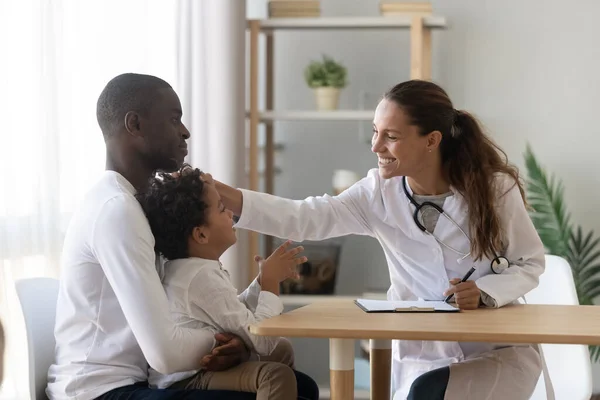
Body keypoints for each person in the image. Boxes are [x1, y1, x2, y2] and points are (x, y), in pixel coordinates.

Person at [211, 79, 546, 400]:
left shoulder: (494, 189)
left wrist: (486, 292)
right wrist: (221, 193)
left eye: (391, 136)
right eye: (375, 132)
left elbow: (529, 263)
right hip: (424, 356)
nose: (375, 146)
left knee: (428, 394)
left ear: (431, 140)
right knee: (425, 391)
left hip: (497, 353)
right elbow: (304, 218)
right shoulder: (378, 194)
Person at [47, 73, 318, 400]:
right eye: (174, 119)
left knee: (302, 387)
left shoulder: (136, 203)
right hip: (99, 391)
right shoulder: (116, 210)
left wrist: (234, 338)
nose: (185, 131)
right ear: (134, 125)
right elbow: (165, 353)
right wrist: (234, 338)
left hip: (142, 380)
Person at [136, 167, 309, 400]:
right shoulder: (200, 276)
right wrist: (270, 283)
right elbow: (262, 341)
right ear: (201, 235)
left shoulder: (191, 269)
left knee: (283, 348)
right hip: (186, 380)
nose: (230, 213)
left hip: (194, 373)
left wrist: (259, 283)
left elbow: (232, 314)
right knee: (276, 376)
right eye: (221, 208)